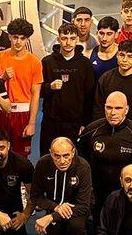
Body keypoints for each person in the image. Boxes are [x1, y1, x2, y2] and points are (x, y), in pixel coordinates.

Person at [78, 92, 132, 212]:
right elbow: (82, 159)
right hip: (98, 192)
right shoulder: (91, 131)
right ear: (104, 108)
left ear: (126, 110)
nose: (113, 113)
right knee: (99, 222)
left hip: (126, 193)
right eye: (109, 108)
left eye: (118, 108)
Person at [32, 137, 93, 235]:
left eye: (66, 155)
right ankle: (64, 232)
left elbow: (84, 206)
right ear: (50, 153)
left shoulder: (83, 167)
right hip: (55, 207)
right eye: (57, 156)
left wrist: (51, 217)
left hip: (77, 209)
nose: (62, 161)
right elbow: (36, 196)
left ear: (73, 152)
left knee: (77, 226)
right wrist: (56, 208)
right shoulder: (43, 164)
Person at [0, 18, 42, 159]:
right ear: (9, 37)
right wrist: (3, 78)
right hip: (2, 111)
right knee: (0, 152)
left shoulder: (34, 62)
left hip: (23, 114)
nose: (18, 42)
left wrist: (32, 124)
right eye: (15, 37)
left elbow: (35, 95)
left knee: (21, 156)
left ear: (27, 39)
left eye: (22, 38)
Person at [40, 21, 96, 152]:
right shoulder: (47, 62)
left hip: (74, 122)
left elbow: (90, 95)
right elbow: (38, 91)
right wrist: (49, 87)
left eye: (72, 38)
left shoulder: (85, 64)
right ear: (58, 39)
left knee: (73, 157)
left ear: (77, 39)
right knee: (48, 156)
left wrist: (85, 123)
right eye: (64, 38)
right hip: (51, 122)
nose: (68, 42)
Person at [95, 43, 132, 127]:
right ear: (117, 55)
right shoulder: (105, 78)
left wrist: (130, 132)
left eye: (130, 56)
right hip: (106, 128)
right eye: (121, 55)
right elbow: (98, 108)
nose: (124, 60)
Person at [90, 16, 120, 81]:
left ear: (116, 35)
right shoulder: (90, 53)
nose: (104, 38)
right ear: (97, 33)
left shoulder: (123, 55)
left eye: (109, 34)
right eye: (101, 33)